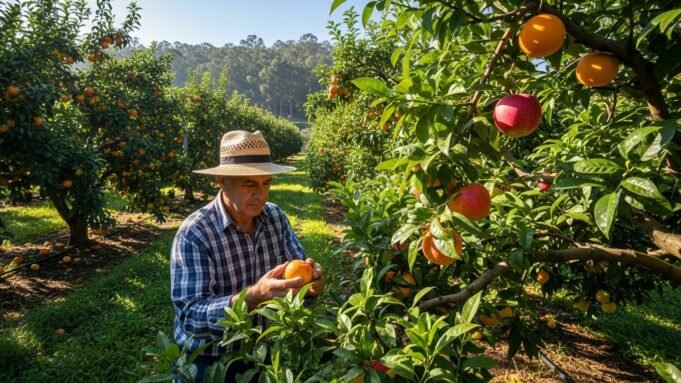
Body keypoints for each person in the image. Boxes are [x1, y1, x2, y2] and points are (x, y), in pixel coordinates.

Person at [170, 130, 324, 383]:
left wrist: (311, 287)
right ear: (221, 180)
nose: (261, 194)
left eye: (266, 183)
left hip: (263, 352)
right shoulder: (195, 233)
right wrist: (250, 298)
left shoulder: (275, 218)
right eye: (249, 184)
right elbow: (190, 316)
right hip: (209, 360)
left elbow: (298, 278)